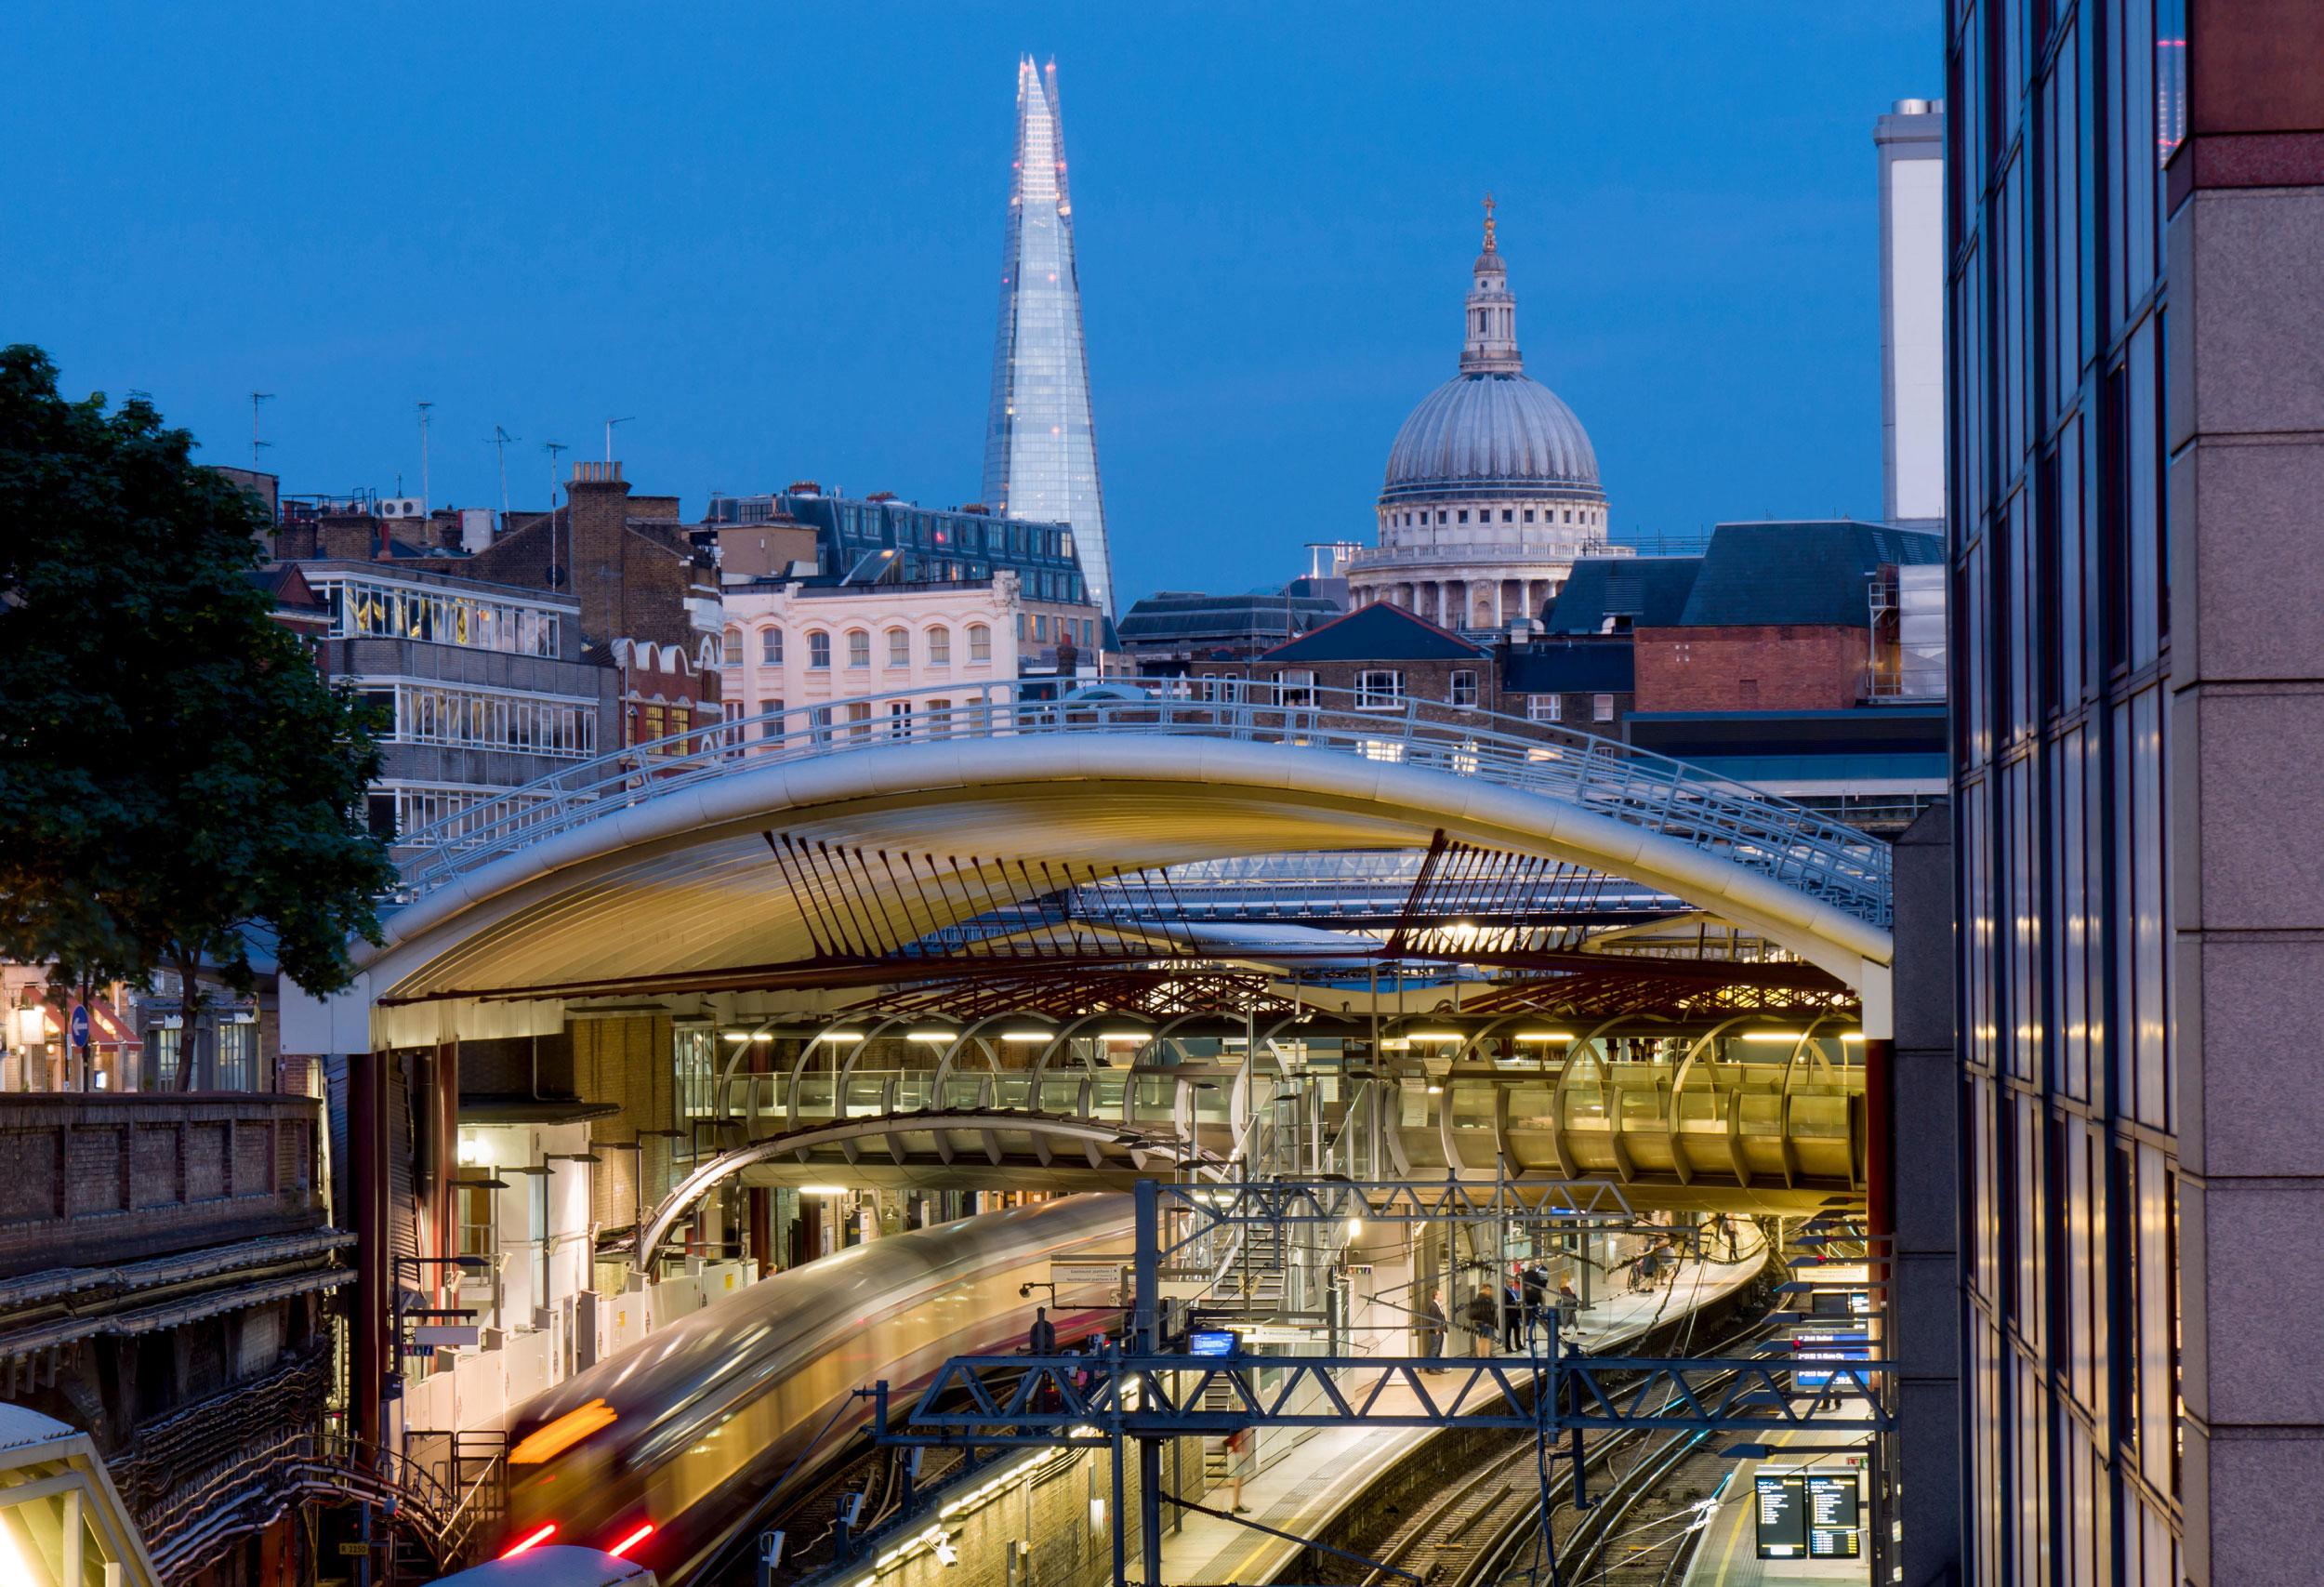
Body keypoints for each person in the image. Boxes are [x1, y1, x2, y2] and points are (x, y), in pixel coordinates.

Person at [1223, 1425, 1254, 1513]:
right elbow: (1239, 1439)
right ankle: (1235, 1505)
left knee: (1239, 1478)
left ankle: (1238, 1503)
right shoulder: (1241, 1418)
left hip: (1240, 1452)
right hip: (1240, 1453)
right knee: (1238, 1478)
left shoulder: (1241, 1417)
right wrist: (1242, 1452)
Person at [1419, 1289, 1448, 1368]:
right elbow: (1432, 1319)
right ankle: (1431, 1368)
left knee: (1438, 1350)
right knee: (1434, 1349)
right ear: (1436, 1296)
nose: (1442, 1296)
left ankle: (1437, 1367)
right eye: (1440, 1294)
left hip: (1441, 1330)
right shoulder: (1433, 1306)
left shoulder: (1438, 1306)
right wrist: (1436, 1330)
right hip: (1436, 1331)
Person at [1465, 1287, 1498, 1356]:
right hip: (1484, 1322)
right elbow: (1483, 1311)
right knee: (1484, 1339)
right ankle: (1482, 1356)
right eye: (1488, 1289)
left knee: (1485, 1339)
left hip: (1486, 1322)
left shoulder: (1486, 1299)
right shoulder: (1482, 1300)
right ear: (1484, 1290)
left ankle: (1485, 1355)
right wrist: (1486, 1321)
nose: (1490, 1291)